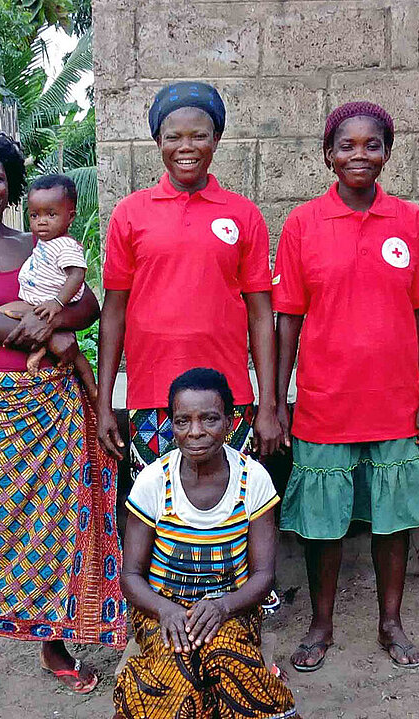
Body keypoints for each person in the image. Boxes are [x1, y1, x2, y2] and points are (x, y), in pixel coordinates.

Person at [0, 128, 125, 715]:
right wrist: (39, 328)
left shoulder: (36, 239)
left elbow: (86, 300)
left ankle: (54, 646)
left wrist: (56, 316)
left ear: (11, 183)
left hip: (55, 403)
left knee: (55, 529)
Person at [273, 102, 419, 673]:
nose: (359, 155)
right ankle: (320, 626)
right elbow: (288, 320)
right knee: (324, 524)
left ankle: (390, 623)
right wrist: (276, 402)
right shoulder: (302, 225)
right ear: (328, 154)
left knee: (392, 521)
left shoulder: (411, 223)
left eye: (371, 145)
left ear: (387, 153)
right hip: (326, 403)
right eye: (346, 145)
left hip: (397, 403)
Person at [97, 81, 281, 480]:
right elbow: (113, 314)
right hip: (151, 396)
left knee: (230, 511)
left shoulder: (243, 215)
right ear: (157, 141)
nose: (186, 146)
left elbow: (262, 316)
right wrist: (104, 403)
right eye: (173, 137)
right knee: (159, 513)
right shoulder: (130, 214)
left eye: (199, 135)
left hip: (229, 397)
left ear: (216, 139)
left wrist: (267, 405)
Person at [114, 368, 297, 719]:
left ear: (229, 422)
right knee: (174, 680)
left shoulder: (252, 479)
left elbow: (262, 576)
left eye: (210, 419)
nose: (195, 432)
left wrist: (223, 608)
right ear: (172, 425)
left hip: (232, 607)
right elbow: (131, 576)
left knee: (227, 658)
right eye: (183, 421)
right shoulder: (154, 480)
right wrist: (166, 610)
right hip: (161, 610)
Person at [0, 173, 98, 399]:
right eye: (34, 215)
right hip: (40, 302)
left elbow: (77, 274)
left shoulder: (65, 246)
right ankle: (39, 351)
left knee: (3, 313)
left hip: (48, 304)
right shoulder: (45, 242)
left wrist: (58, 302)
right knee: (18, 318)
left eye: (51, 214)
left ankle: (93, 390)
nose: (42, 221)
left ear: (70, 217)